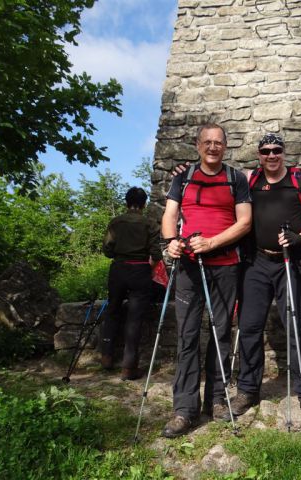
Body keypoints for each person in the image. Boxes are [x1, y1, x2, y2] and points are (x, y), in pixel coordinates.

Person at [230, 133, 301, 425]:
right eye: (265, 151)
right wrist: (183, 172)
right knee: (249, 327)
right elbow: (219, 183)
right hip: (257, 262)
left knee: (299, 328)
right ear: (258, 154)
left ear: (283, 152)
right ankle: (247, 390)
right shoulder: (248, 178)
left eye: (276, 150)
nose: (271, 155)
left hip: (291, 260)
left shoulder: (300, 178)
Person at [161, 123, 252, 437]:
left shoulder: (235, 178)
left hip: (225, 265)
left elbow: (245, 222)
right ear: (197, 145)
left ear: (225, 147)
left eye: (218, 143)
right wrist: (171, 241)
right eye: (207, 142)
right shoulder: (182, 177)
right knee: (186, 337)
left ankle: (216, 399)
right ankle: (184, 410)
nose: (213, 147)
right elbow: (170, 215)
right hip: (188, 267)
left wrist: (213, 242)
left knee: (220, 334)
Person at [101, 187, 162, 380]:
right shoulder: (150, 224)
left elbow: (107, 251)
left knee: (112, 309)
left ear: (126, 202)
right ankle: (128, 367)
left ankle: (106, 357)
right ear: (144, 204)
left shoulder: (116, 222)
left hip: (118, 269)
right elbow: (156, 254)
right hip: (140, 271)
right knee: (134, 318)